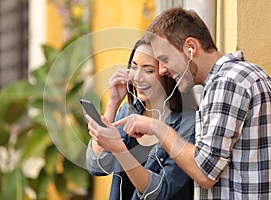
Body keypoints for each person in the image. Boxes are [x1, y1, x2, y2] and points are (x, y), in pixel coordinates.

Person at [114, 7, 271, 199]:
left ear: (191, 47)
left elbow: (205, 173)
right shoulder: (245, 75)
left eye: (164, 59)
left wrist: (156, 127)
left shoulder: (227, 83)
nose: (162, 70)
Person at [85, 39, 197, 199]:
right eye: (134, 67)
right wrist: (113, 102)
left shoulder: (187, 123)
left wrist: (120, 150)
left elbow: (161, 191)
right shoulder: (127, 112)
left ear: (168, 73)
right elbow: (96, 167)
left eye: (148, 70)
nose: (137, 77)